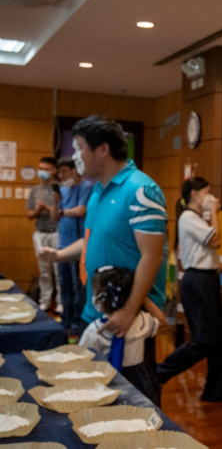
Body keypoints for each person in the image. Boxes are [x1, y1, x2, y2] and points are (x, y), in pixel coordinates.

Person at [43, 115, 168, 405]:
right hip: (96, 311)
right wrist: (59, 255)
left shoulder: (141, 189)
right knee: (99, 399)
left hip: (128, 317)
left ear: (102, 150)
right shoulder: (99, 188)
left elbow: (152, 256)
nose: (74, 157)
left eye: (78, 148)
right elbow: (91, 241)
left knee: (136, 404)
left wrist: (128, 310)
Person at [157, 177, 222, 403]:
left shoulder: (194, 219)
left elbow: (201, 253)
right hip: (198, 282)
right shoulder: (189, 218)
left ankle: (214, 391)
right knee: (204, 340)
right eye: (207, 193)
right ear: (194, 194)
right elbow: (215, 241)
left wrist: (221, 266)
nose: (211, 198)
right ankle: (160, 372)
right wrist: (214, 212)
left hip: (208, 277)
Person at [80, 265, 161, 403]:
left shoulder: (95, 331)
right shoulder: (142, 321)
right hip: (140, 383)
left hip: (109, 383)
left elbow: (82, 361)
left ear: (99, 300)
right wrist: (142, 297)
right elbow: (161, 320)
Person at [50, 156, 93, 340]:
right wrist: (55, 201)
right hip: (62, 245)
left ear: (75, 170)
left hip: (78, 245)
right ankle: (65, 320)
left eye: (65, 172)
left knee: (78, 288)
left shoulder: (86, 187)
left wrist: (62, 211)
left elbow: (80, 210)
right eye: (59, 173)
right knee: (64, 286)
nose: (62, 175)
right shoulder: (65, 191)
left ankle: (76, 321)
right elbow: (54, 217)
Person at [26, 156, 62, 312]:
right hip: (40, 233)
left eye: (46, 169)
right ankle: (45, 301)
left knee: (58, 270)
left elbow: (63, 212)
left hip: (57, 233)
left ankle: (61, 302)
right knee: (44, 271)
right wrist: (37, 211)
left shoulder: (61, 189)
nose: (42, 172)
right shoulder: (35, 190)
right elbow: (29, 214)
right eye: (40, 169)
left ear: (54, 171)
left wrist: (47, 207)